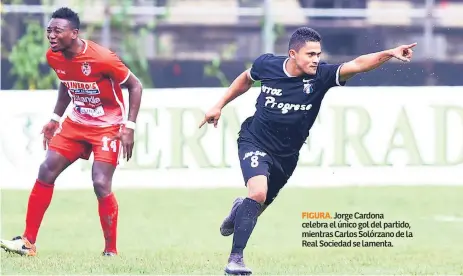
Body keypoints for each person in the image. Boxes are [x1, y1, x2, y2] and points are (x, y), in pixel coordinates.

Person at [199, 27, 416, 275]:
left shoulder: (321, 76)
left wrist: (389, 52)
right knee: (258, 193)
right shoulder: (267, 64)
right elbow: (247, 78)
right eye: (310, 54)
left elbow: (358, 64)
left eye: (318, 54)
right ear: (293, 54)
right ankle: (235, 260)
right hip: (255, 141)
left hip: (287, 155)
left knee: (257, 206)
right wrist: (219, 105)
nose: (316, 60)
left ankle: (240, 209)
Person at [0, 7, 143, 257]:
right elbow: (67, 84)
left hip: (108, 126)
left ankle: (111, 250)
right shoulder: (54, 57)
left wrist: (129, 126)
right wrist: (55, 118)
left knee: (100, 183)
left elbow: (135, 85)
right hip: (77, 122)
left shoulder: (102, 58)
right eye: (49, 31)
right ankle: (28, 242)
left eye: (58, 31)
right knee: (46, 170)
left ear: (74, 33)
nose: (51, 36)